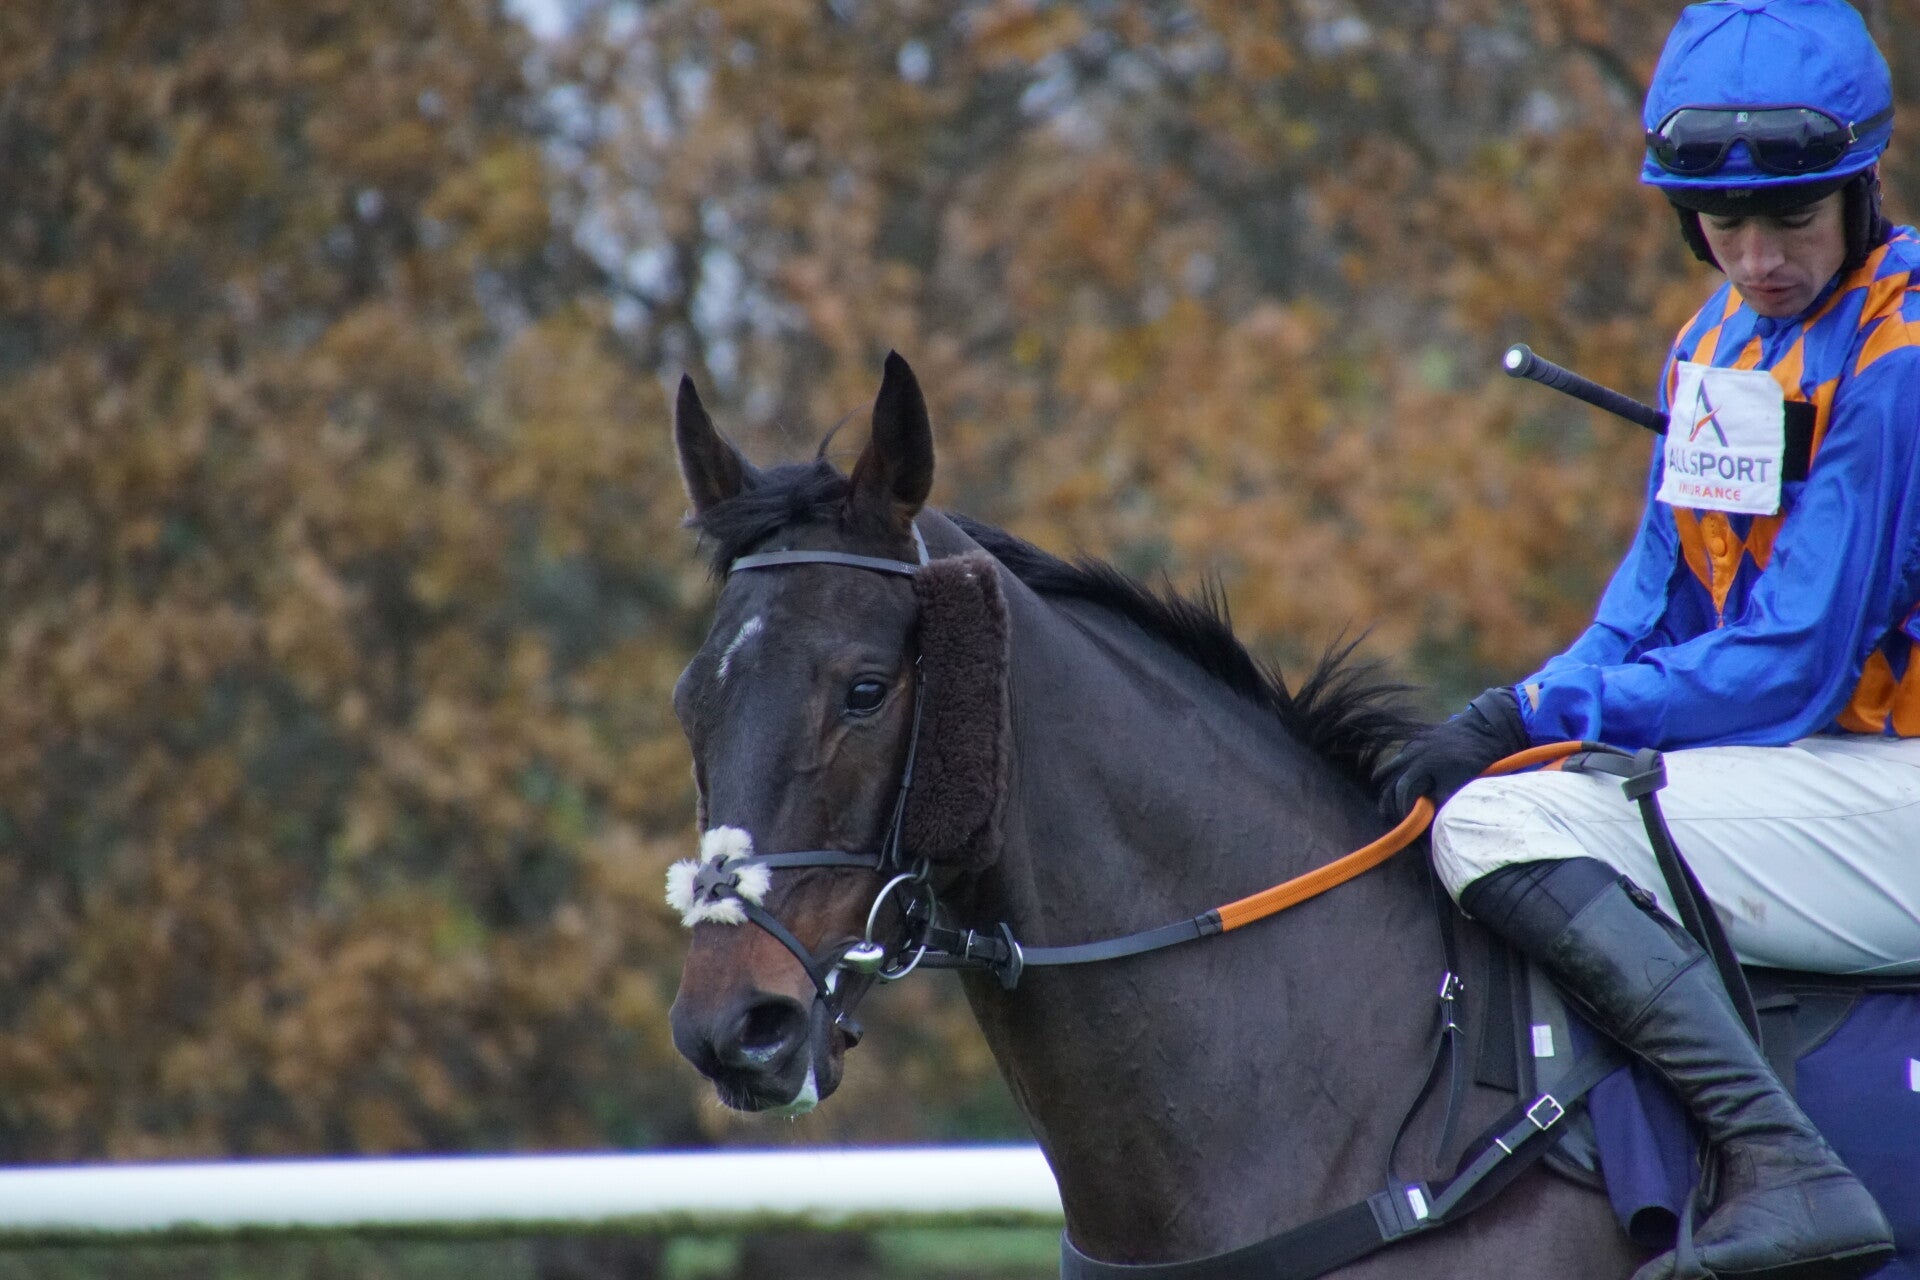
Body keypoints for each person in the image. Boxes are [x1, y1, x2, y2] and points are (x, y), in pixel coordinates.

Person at [1377, 2, 1918, 1277]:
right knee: (1506, 792)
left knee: (1501, 827)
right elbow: (1651, 603)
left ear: (1860, 189)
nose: (1759, 258)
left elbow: (1789, 664)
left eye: (1793, 219)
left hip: (1888, 770)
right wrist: (1512, 712)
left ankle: (1784, 1165)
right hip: (1829, 772)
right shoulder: (1715, 342)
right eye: (1722, 224)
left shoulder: (1902, 354)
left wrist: (1530, 722)